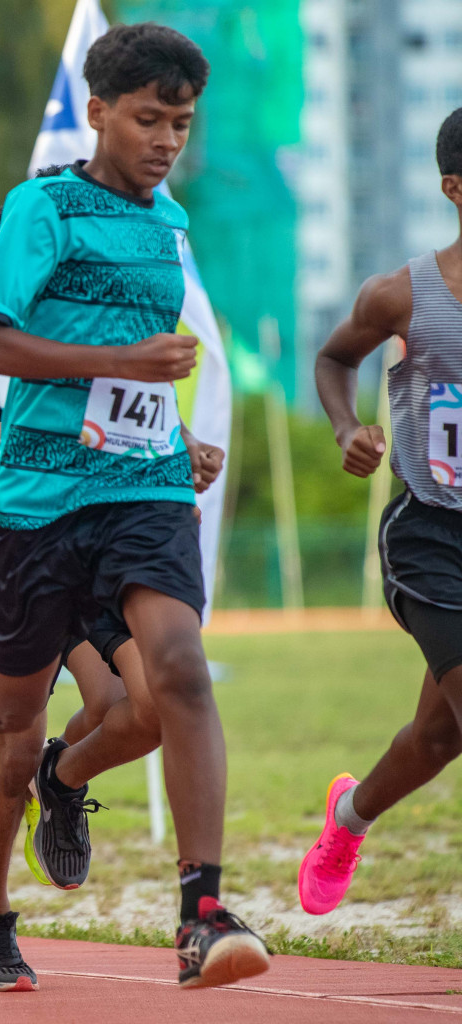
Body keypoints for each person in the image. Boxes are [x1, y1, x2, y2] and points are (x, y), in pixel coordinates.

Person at [0, 22, 269, 990]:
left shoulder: (169, 229)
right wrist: (122, 364)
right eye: (148, 119)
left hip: (139, 489)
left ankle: (200, 908)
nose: (165, 140)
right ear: (99, 111)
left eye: (180, 124)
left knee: (177, 673)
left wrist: (166, 433)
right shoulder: (41, 210)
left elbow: (131, 387)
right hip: (36, 509)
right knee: (11, 728)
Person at [300, 105, 462, 916]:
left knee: (441, 737)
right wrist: (345, 427)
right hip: (430, 533)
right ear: (455, 189)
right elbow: (333, 357)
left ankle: (347, 816)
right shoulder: (404, 293)